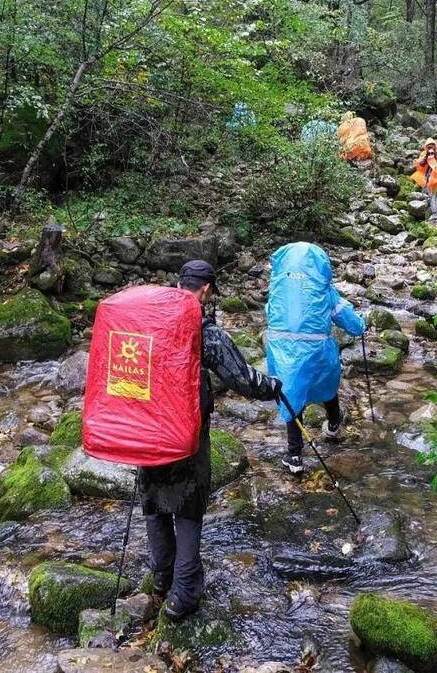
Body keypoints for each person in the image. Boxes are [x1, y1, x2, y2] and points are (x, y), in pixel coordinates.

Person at [138, 259, 282, 622]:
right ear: (206, 290)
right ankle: (183, 595)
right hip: (185, 432)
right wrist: (273, 387)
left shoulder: (150, 321)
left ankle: (161, 578)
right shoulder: (203, 330)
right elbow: (242, 379)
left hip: (147, 427)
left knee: (153, 498)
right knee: (188, 505)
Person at [265, 242, 366, 475]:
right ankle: (333, 426)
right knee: (328, 387)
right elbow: (344, 316)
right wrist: (361, 326)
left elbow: (270, 314)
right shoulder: (323, 289)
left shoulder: (278, 288)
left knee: (291, 396)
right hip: (317, 350)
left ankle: (295, 456)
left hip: (282, 351)